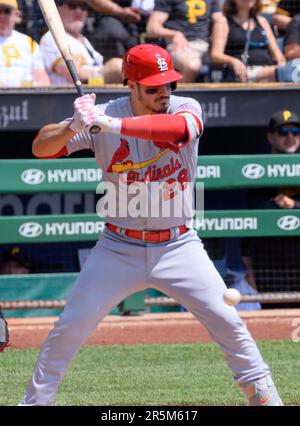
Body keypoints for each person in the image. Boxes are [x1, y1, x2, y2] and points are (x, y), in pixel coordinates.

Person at [19, 43, 283, 406]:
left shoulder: (184, 108)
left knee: (229, 323)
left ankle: (267, 400)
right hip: (117, 247)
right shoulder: (100, 116)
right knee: (69, 328)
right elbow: (40, 148)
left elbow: (177, 131)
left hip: (178, 245)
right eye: (154, 87)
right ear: (131, 84)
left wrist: (107, 124)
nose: (164, 93)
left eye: (168, 84)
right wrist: (72, 126)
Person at [242, 110, 300, 305]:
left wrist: (295, 205)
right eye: (283, 132)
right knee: (276, 318)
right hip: (271, 262)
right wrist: (248, 266)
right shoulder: (259, 169)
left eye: (295, 131)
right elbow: (252, 213)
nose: (290, 137)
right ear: (270, 137)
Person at [39, 0, 123, 85]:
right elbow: (73, 74)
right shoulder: (52, 37)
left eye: (83, 7)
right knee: (118, 66)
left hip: (93, 92)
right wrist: (110, 71)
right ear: (58, 9)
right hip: (69, 95)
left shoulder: (85, 40)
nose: (78, 11)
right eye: (72, 6)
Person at [146, 0, 223, 82]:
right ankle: (177, 93)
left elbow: (219, 19)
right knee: (192, 65)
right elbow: (151, 29)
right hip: (179, 44)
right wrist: (174, 34)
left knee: (222, 20)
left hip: (206, 45)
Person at [210, 0, 286, 82]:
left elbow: (278, 55)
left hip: (268, 69)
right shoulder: (223, 21)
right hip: (243, 72)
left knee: (291, 70)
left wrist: (282, 66)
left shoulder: (261, 21)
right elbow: (215, 55)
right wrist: (234, 62)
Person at [0, 0, 50, 87]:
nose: (1, 16)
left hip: (25, 96)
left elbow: (42, 78)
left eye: (6, 11)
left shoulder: (29, 43)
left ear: (16, 15)